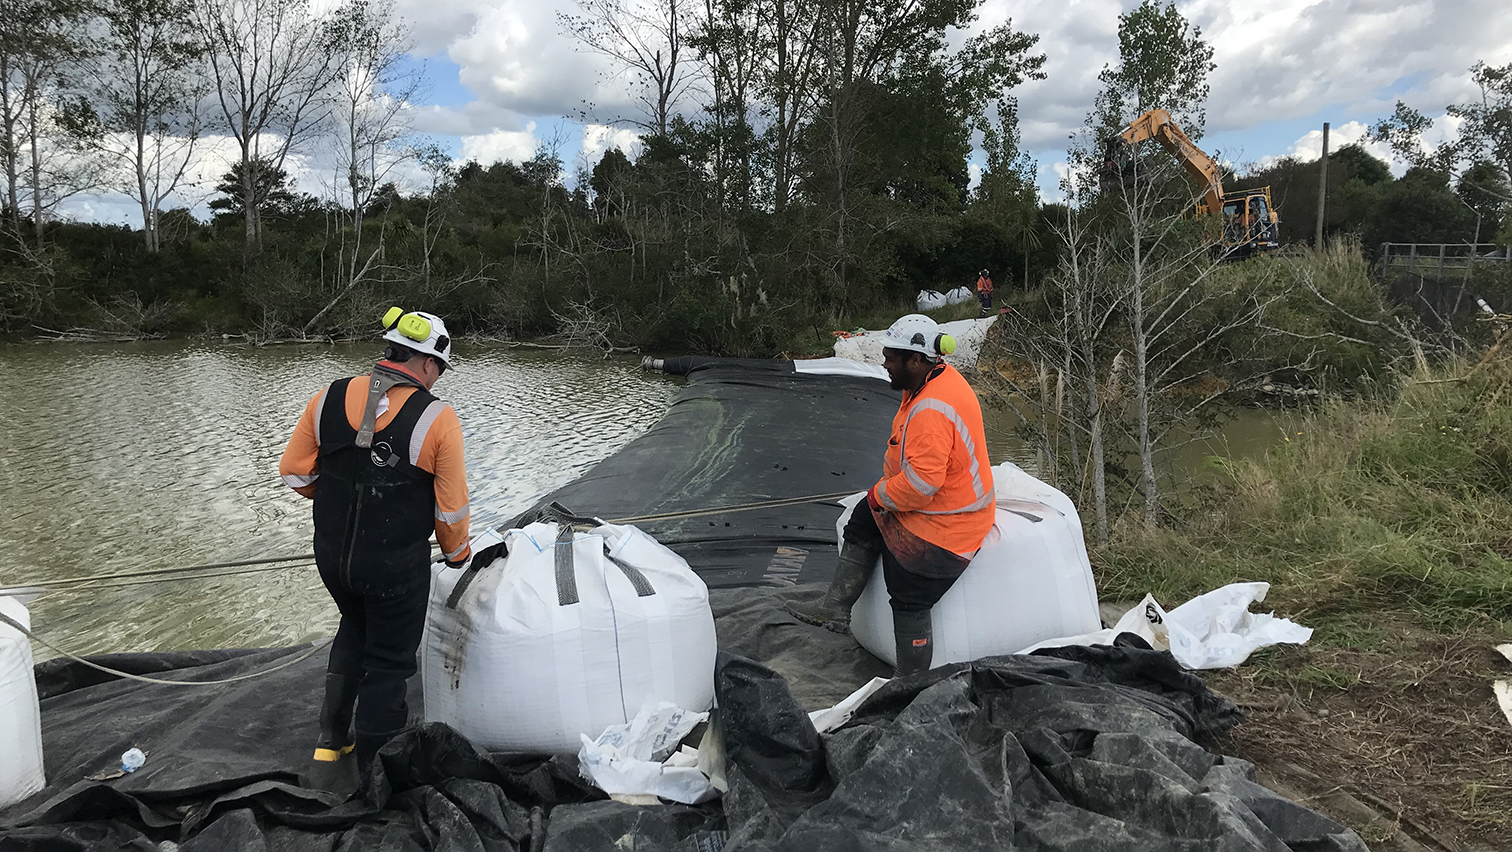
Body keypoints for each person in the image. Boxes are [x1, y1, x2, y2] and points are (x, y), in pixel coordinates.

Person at [279, 308, 472, 769]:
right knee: (389, 661)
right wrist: (458, 555)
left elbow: (293, 472)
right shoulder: (438, 418)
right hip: (393, 567)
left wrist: (337, 500)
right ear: (428, 363)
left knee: (354, 625)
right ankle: (376, 769)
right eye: (440, 369)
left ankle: (331, 740)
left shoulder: (328, 396)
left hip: (332, 558)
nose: (439, 378)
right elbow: (451, 510)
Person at [789, 314, 995, 675]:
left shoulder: (931, 410)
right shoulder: (934, 380)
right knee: (864, 516)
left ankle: (910, 683)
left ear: (915, 360)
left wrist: (880, 492)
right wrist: (877, 498)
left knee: (909, 594)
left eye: (890, 357)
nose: (883, 363)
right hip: (944, 507)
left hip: (948, 527)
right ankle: (834, 609)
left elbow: (920, 486)